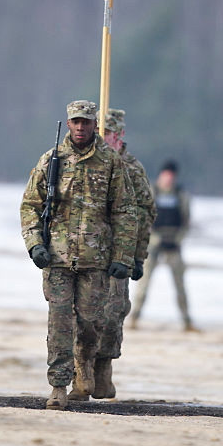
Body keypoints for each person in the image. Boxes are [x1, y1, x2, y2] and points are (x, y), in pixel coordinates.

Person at [20, 100, 136, 410]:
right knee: (59, 323)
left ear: (94, 123)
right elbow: (30, 205)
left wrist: (123, 256)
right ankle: (58, 385)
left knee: (89, 323)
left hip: (94, 261)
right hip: (57, 259)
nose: (81, 127)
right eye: (76, 122)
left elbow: (125, 212)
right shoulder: (52, 160)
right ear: (68, 124)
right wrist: (35, 244)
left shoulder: (111, 162)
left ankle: (85, 367)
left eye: (86, 121)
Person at [68, 108, 154, 400]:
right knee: (84, 315)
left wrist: (137, 255)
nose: (105, 139)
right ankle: (82, 373)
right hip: (88, 250)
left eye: (111, 134)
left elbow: (144, 213)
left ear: (120, 136)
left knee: (113, 313)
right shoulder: (87, 162)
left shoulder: (131, 168)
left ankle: (103, 369)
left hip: (118, 253)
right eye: (101, 133)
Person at [129, 160, 196, 331]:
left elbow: (186, 221)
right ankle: (134, 317)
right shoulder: (152, 192)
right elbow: (144, 217)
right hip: (153, 243)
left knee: (180, 284)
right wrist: (153, 238)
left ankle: (186, 320)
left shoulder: (180, 195)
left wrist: (178, 239)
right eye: (166, 175)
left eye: (172, 176)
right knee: (143, 283)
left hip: (174, 243)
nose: (169, 179)